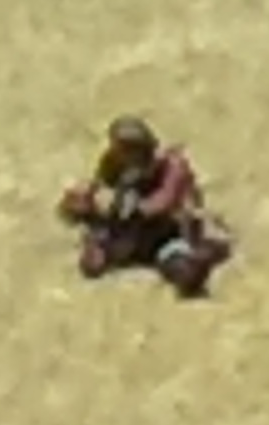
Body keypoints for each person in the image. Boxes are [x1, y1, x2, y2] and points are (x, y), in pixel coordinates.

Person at [59, 119, 232, 296]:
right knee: (93, 261)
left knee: (182, 267)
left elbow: (167, 199)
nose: (123, 155)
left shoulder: (171, 165)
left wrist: (136, 208)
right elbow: (98, 189)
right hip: (127, 231)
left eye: (128, 149)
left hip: (167, 231)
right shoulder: (112, 163)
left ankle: (186, 267)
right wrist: (86, 202)